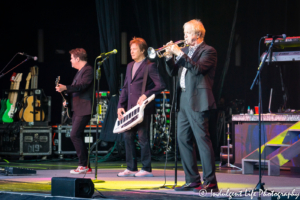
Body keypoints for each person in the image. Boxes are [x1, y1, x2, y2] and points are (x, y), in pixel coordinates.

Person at [165, 19, 218, 192]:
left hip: (198, 99)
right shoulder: (186, 51)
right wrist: (168, 58)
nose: (184, 36)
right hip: (184, 99)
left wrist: (179, 53)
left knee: (202, 140)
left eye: (187, 33)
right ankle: (192, 180)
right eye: (185, 33)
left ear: (198, 34)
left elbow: (197, 69)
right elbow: (173, 72)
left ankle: (210, 182)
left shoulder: (209, 51)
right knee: (183, 139)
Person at [117, 37, 165, 177]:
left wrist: (146, 94)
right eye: (130, 49)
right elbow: (125, 87)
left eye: (134, 49)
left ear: (143, 50)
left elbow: (161, 85)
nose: (131, 52)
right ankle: (131, 168)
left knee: (143, 138)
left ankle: (146, 169)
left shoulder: (150, 65)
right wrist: (120, 105)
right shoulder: (130, 66)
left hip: (143, 108)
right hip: (130, 109)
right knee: (127, 136)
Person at [56, 48, 94, 175]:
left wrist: (66, 87)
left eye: (72, 58)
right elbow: (76, 91)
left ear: (78, 59)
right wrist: (67, 99)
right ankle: (86, 166)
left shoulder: (88, 70)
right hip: (77, 108)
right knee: (78, 135)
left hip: (84, 108)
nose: (70, 61)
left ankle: (83, 165)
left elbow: (82, 86)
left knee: (74, 134)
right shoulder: (80, 71)